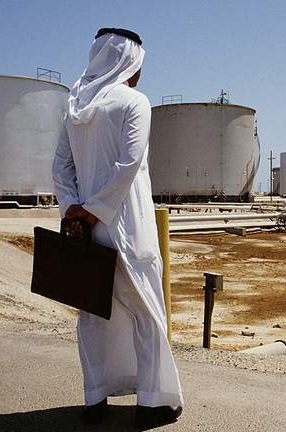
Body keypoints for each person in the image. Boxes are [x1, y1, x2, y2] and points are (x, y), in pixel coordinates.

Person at [52, 28, 184, 426]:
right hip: (128, 226)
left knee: (93, 314)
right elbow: (128, 165)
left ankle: (95, 398)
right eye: (138, 65)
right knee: (146, 312)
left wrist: (74, 210)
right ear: (129, 64)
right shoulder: (134, 102)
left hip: (85, 231)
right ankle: (151, 402)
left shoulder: (75, 108)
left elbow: (61, 168)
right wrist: (94, 211)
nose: (140, 73)